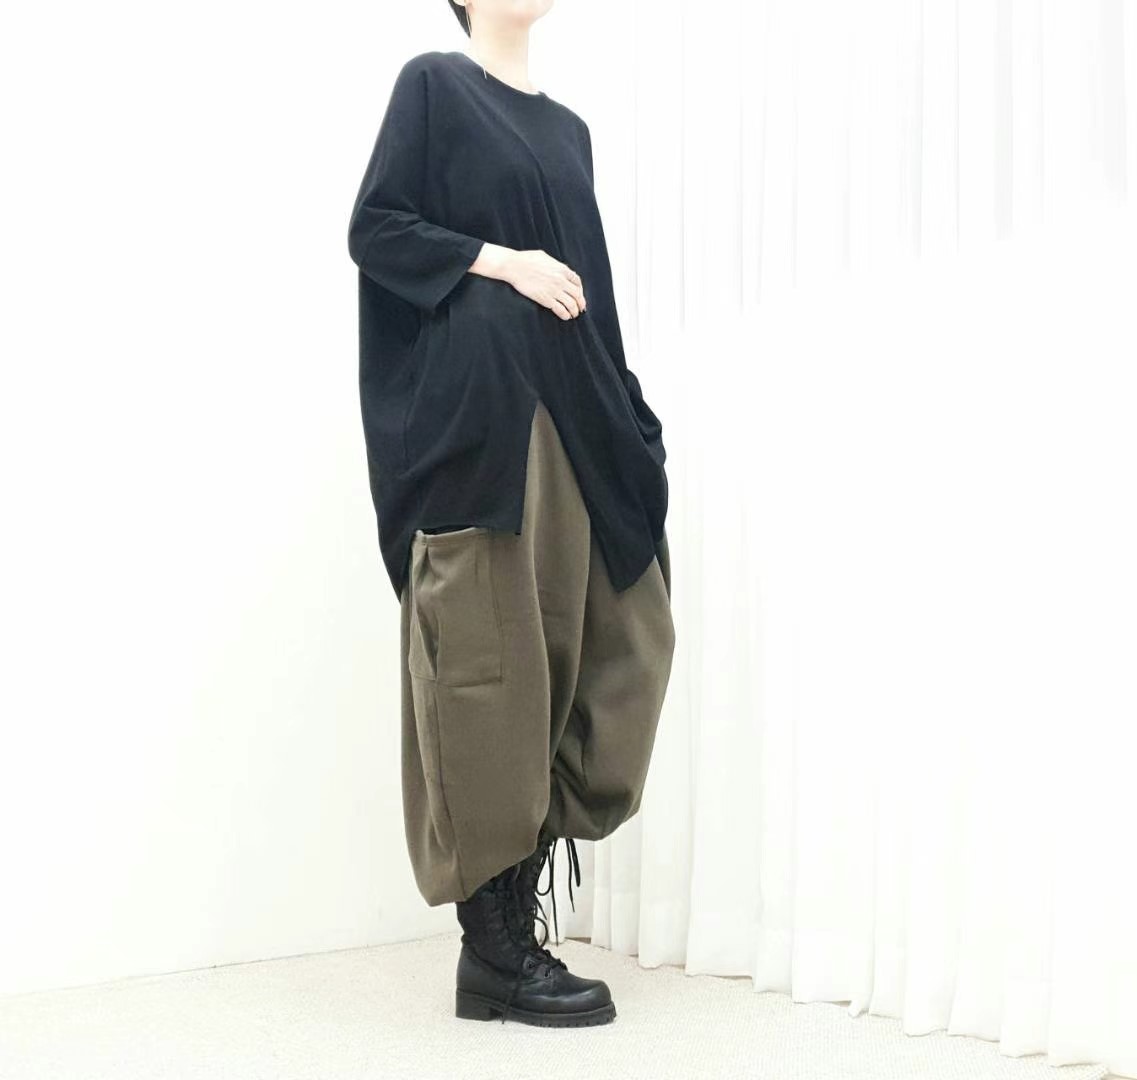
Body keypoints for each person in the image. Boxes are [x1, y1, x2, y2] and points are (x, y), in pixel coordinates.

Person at [346, 0, 675, 1028]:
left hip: (577, 415)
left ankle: (511, 925)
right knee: (490, 668)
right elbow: (377, 228)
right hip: (487, 425)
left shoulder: (567, 129)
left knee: (611, 647)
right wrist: (498, 260)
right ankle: (494, 951)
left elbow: (591, 292)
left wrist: (631, 417)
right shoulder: (434, 85)